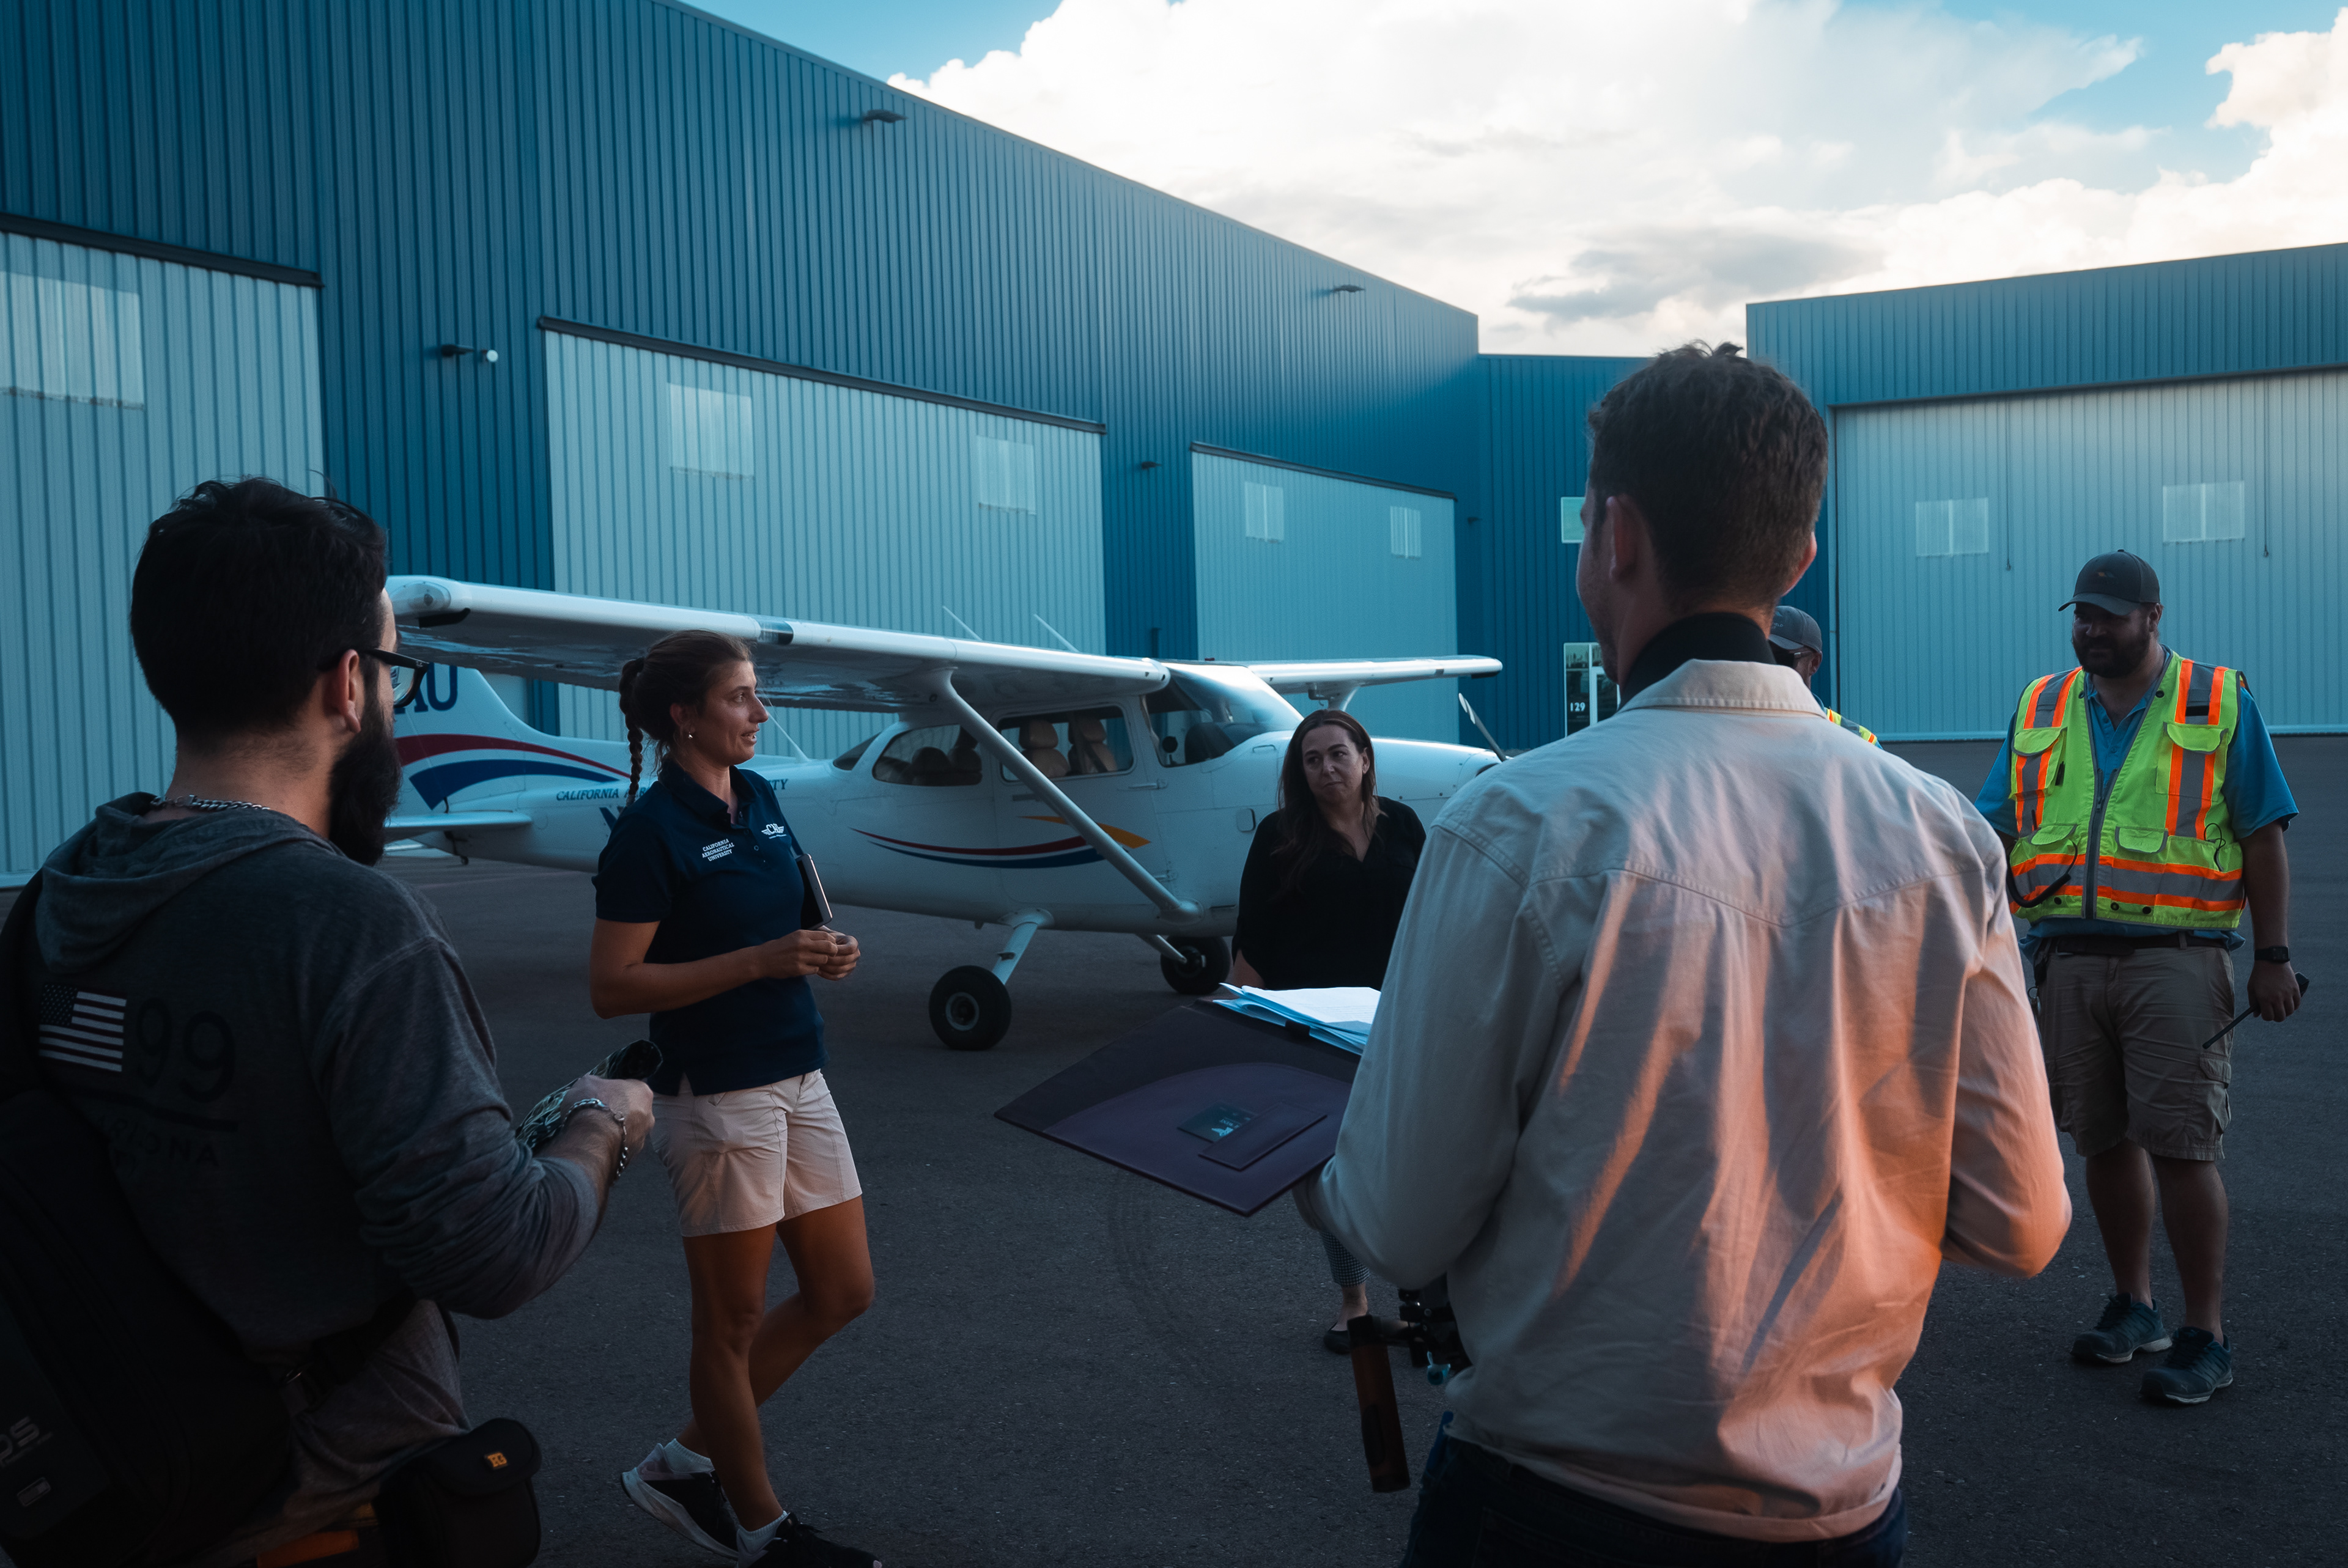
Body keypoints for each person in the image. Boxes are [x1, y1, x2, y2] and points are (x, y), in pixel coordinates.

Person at [1295, 344, 2070, 1566]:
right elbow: (2020, 1219)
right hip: (1844, 1515)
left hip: (1552, 1505)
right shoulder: (1941, 835)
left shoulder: (1520, 823)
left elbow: (1398, 1222)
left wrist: (1310, 1163)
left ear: (1616, 536)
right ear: (1797, 557)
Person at [18, 477, 649, 1568]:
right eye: (393, 667)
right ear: (349, 684)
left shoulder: (61, 889)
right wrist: (603, 1124)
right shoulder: (351, 925)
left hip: (105, 1485)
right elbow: (492, 1252)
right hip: (313, 1511)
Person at [1977, 549, 2297, 1405]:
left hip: (2176, 959)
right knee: (2102, 1141)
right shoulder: (2043, 705)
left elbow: (2263, 833)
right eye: (2082, 615)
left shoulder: (2217, 702)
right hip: (2068, 959)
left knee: (2183, 1147)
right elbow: (1993, 829)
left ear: (2153, 617)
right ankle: (2135, 1306)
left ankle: (2206, 1333)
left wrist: (2272, 958)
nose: (2092, 630)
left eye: (2109, 616)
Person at [590, 631, 879, 1568]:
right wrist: (761, 960)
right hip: (716, 1095)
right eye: (741, 697)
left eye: (757, 694)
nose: (761, 712)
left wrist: (823, 947)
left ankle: (680, 1463)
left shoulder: (757, 797)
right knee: (730, 1326)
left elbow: (792, 917)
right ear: (685, 716)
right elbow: (613, 985)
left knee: (842, 1290)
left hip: (799, 1071)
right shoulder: (649, 833)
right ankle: (761, 1531)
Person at [1229, 710, 1426, 1352]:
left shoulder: (1404, 826)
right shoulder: (1280, 836)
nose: (1327, 768)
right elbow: (1253, 940)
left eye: (1339, 754)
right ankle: (1354, 1304)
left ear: (1365, 758)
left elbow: (1433, 918)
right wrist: (1236, 1030)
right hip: (1314, 1027)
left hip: (1398, 1020)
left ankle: (1422, 1303)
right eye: (1311, 760)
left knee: (1412, 1162)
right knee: (1333, 1167)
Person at [1767, 603, 1877, 743]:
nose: (1768, 667)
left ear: (1814, 663)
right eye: (1761, 657)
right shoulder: (1741, 729)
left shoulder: (1860, 741)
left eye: (1781, 658)